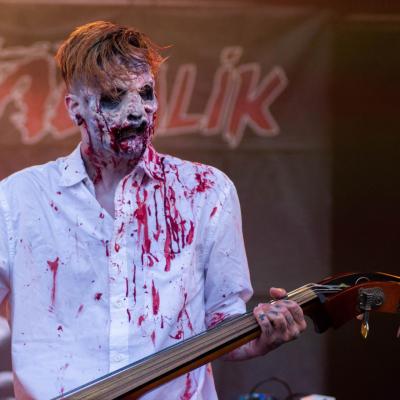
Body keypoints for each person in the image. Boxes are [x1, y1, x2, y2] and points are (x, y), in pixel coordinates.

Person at [0, 21, 306, 399]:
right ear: (74, 108)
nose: (137, 113)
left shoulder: (206, 192)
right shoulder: (18, 199)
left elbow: (222, 321)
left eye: (145, 93)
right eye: (113, 97)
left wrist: (259, 338)